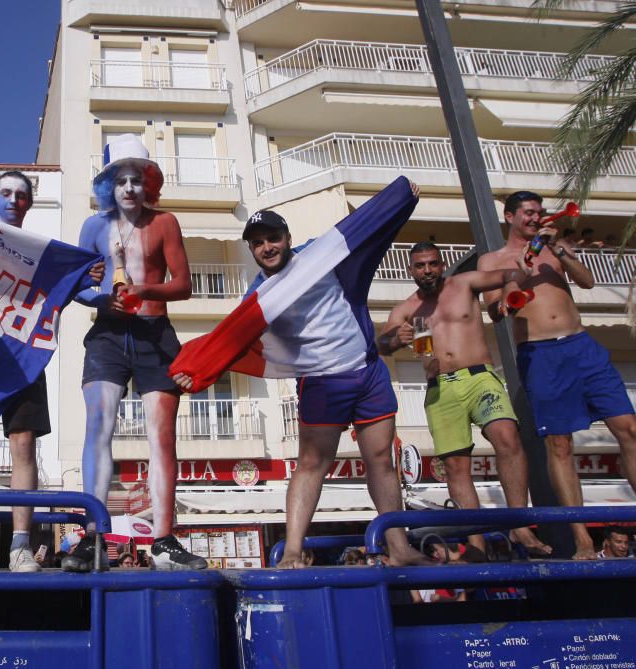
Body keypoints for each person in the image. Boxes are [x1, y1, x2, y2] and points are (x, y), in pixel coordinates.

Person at [176, 187, 430, 570]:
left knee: (381, 460)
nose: (267, 247)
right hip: (321, 381)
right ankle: (293, 551)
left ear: (288, 238)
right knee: (313, 463)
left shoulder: (321, 255)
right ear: (251, 250)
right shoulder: (260, 296)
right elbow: (228, 341)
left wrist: (401, 202)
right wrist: (195, 370)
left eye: (273, 238)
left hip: (367, 369)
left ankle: (399, 549)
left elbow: (367, 233)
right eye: (258, 243)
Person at [0, 171, 104, 574]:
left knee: (24, 446)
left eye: (21, 195)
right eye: (6, 193)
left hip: (23, 354)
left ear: (30, 203)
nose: (13, 200)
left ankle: (21, 548)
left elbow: (68, 283)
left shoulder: (40, 251)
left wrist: (88, 277)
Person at [67, 134, 206, 573]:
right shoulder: (93, 227)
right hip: (108, 334)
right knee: (98, 426)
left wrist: (145, 289)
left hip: (154, 333)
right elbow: (75, 285)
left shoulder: (165, 223)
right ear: (109, 184)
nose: (129, 187)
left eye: (137, 178)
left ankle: (164, 539)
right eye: (120, 179)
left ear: (149, 183)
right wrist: (99, 299)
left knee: (162, 437)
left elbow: (183, 285)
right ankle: (94, 539)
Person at [478, 191, 636, 560]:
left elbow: (588, 282)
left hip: (581, 346)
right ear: (510, 217)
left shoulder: (555, 248)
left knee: (629, 427)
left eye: (540, 212)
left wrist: (560, 251)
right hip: (540, 354)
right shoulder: (492, 259)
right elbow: (495, 312)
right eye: (529, 213)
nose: (536, 218)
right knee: (560, 446)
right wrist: (513, 286)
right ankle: (582, 539)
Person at [379, 242, 551, 556]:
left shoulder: (465, 283)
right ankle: (476, 546)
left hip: (479, 376)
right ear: (410, 270)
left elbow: (513, 272)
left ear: (442, 264)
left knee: (508, 436)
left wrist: (509, 293)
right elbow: (382, 345)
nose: (427, 270)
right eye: (420, 265)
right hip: (439, 387)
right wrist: (395, 339)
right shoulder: (406, 309)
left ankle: (519, 525)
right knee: (456, 467)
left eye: (432, 263)